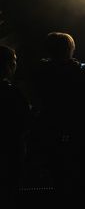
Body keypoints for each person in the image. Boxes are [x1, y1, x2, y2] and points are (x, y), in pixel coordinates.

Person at [31, 32, 85, 206]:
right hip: (77, 132)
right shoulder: (79, 72)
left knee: (55, 179)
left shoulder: (40, 71)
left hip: (49, 130)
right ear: (69, 49)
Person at [0, 45, 30, 207]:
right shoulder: (11, 92)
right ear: (8, 65)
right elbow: (25, 121)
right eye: (14, 61)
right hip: (10, 150)